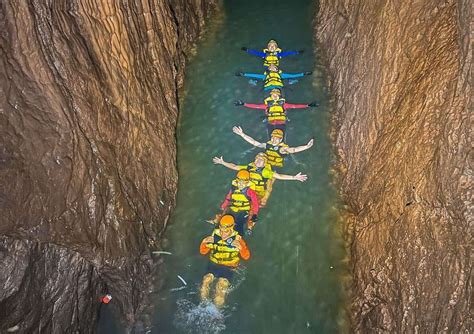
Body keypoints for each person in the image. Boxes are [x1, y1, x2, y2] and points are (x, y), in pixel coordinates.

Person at [213, 152, 307, 207]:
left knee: (252, 205)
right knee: (234, 188)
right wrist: (222, 162)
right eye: (257, 159)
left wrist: (294, 177)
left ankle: (250, 219)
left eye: (261, 160)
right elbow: (235, 166)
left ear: (264, 163)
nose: (258, 161)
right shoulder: (249, 167)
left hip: (257, 193)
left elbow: (279, 176)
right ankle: (226, 204)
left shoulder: (265, 172)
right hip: (246, 189)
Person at [199, 214, 250, 308]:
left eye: (226, 232)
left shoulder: (238, 239)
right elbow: (203, 252)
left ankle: (216, 313)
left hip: (229, 266)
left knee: (221, 286)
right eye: (221, 231)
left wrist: (240, 248)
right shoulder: (215, 235)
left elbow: (246, 257)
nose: (223, 234)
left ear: (231, 228)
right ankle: (203, 306)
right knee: (206, 280)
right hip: (214, 263)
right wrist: (204, 243)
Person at [234, 88, 319, 134]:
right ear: (271, 96)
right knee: (271, 136)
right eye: (273, 95)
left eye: (277, 95)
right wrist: (243, 104)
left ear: (279, 96)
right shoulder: (267, 105)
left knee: (280, 135)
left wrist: (308, 105)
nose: (275, 96)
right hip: (271, 122)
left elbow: (295, 106)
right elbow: (256, 106)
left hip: (281, 122)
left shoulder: (283, 105)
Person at [233, 127, 314, 169]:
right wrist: (242, 134)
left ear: (281, 139)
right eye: (273, 137)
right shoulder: (268, 145)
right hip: (265, 164)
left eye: (276, 138)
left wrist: (306, 146)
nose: (274, 140)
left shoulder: (282, 149)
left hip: (276, 166)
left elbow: (293, 150)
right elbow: (254, 142)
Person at [219, 170, 259, 235]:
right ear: (236, 181)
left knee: (239, 225)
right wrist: (223, 206)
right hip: (233, 208)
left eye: (243, 183)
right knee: (223, 222)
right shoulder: (234, 188)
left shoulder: (250, 191)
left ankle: (239, 235)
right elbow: (228, 197)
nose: (241, 185)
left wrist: (255, 214)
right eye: (239, 182)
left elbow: (255, 203)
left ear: (247, 183)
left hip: (243, 210)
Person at [236, 64, 312, 91]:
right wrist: (244, 74)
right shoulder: (265, 76)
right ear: (268, 70)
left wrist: (304, 74)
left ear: (277, 69)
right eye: (270, 67)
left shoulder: (281, 75)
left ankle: (291, 82)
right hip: (268, 88)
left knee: (291, 80)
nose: (272, 68)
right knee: (254, 81)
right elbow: (255, 75)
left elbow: (293, 75)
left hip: (279, 87)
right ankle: (253, 83)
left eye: (274, 67)